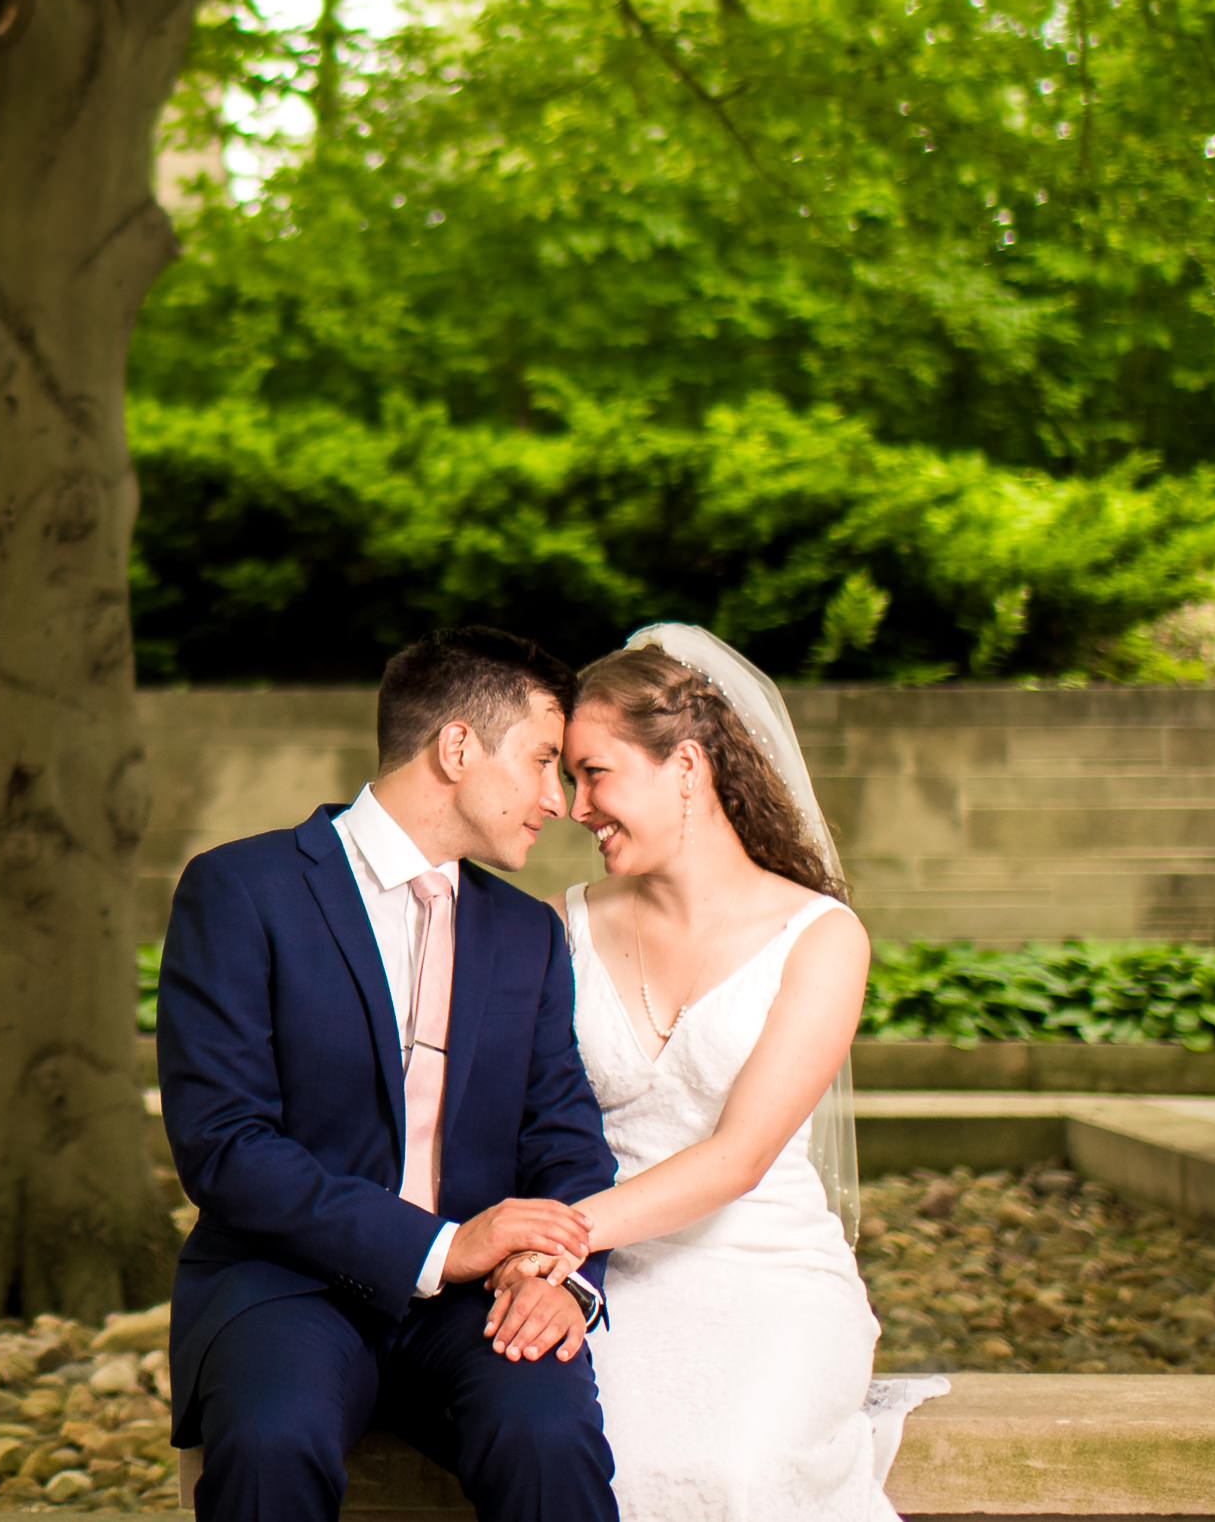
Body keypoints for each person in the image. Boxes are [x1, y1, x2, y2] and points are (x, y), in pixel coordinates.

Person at [155, 627, 620, 1522]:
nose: (557, 800)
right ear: (456, 747)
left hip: (479, 1304)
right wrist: (442, 1247)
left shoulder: (527, 934)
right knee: (270, 1444)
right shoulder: (241, 890)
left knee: (550, 1442)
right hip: (281, 1284)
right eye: (541, 762)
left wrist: (554, 1275)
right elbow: (224, 1146)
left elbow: (565, 1139)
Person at [490, 624, 909, 1520]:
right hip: (613, 1279)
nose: (574, 804)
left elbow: (740, 1158)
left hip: (767, 1272)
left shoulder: (821, 937)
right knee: (603, 1465)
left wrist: (551, 1239)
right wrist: (552, 1263)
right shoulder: (559, 929)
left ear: (686, 765)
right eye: (566, 776)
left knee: (737, 1474)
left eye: (594, 772)